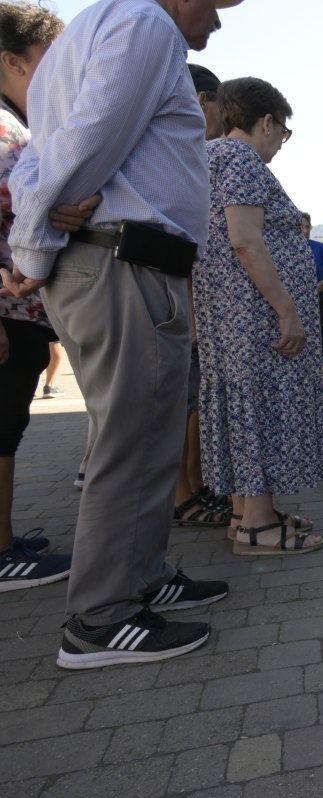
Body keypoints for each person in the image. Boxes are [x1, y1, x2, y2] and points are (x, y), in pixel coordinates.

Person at [3, 0, 239, 669]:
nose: (218, 23)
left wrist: (39, 225)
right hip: (123, 263)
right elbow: (84, 143)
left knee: (147, 432)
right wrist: (39, 231)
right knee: (133, 440)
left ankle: (142, 576)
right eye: (219, 4)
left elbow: (43, 154)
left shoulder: (92, 29)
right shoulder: (145, 24)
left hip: (117, 261)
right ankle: (101, 618)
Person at [194, 76, 323, 557]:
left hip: (228, 318)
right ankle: (257, 525)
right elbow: (245, 239)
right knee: (261, 407)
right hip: (252, 318)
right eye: (283, 133)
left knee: (242, 407)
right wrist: (287, 310)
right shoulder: (241, 159)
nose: (280, 144)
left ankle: (245, 514)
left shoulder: (210, 156)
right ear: (267, 122)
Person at [0, 1, 71, 593]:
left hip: (19, 307)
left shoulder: (16, 124)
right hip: (6, 309)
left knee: (9, 425)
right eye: (47, 62)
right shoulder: (3, 128)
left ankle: (6, 538)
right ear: (12, 63)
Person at [172, 60, 231, 529]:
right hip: (176, 293)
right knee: (182, 402)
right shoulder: (181, 152)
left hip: (186, 294)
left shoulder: (193, 154)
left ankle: (193, 485)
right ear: (202, 102)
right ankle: (182, 493)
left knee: (190, 400)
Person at [300, 212, 323, 354]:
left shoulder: (318, 248)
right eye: (301, 227)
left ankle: (318, 374)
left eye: (307, 227)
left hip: (318, 300)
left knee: (318, 341)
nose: (304, 230)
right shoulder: (286, 249)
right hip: (294, 302)